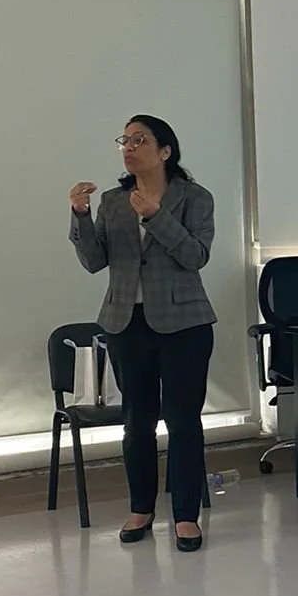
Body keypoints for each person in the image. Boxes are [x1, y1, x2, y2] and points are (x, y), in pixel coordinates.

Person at [69, 116, 216, 552]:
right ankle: (141, 509)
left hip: (185, 325)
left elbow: (196, 256)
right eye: (125, 140)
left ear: (165, 151)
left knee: (184, 422)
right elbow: (95, 261)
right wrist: (79, 215)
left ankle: (186, 516)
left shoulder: (194, 197)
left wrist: (155, 217)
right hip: (124, 324)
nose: (129, 147)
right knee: (137, 423)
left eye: (140, 140)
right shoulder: (113, 202)